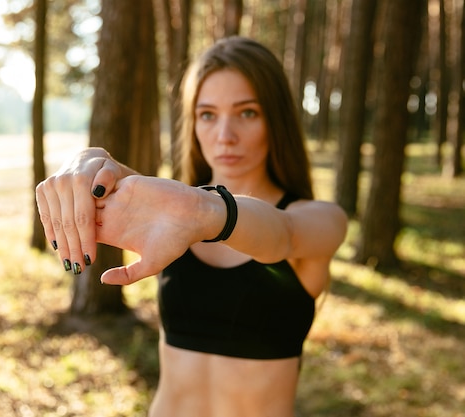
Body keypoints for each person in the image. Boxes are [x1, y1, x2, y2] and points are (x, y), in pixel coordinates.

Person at [36, 36, 347, 417]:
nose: (224, 135)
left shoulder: (314, 218)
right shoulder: (168, 211)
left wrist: (205, 209)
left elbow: (284, 234)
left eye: (247, 112)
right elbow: (128, 185)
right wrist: (90, 159)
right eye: (207, 114)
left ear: (275, 120)